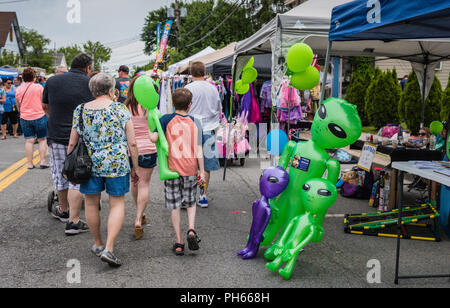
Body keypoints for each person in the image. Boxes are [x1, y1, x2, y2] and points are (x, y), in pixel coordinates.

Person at [68, 73, 140, 267]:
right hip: (117, 163)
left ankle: (98, 243)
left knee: (91, 203)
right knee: (117, 204)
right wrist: (135, 167)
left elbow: (72, 142)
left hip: (88, 165)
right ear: (111, 90)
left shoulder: (80, 109)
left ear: (93, 90)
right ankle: (109, 248)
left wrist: (69, 167)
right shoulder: (120, 109)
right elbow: (132, 142)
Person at [42, 53, 94, 235]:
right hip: (81, 138)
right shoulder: (90, 83)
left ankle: (63, 211)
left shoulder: (52, 81)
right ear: (88, 68)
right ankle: (74, 219)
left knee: (60, 173)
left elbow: (45, 107)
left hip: (56, 134)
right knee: (77, 176)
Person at [150, 88, 205, 256]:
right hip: (190, 168)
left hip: (172, 169)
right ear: (190, 105)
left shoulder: (165, 119)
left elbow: (154, 138)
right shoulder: (196, 122)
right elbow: (199, 149)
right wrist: (202, 171)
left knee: (175, 206)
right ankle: (191, 229)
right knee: (190, 202)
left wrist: (150, 128)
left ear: (172, 104)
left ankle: (179, 242)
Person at [124, 77, 158, 239]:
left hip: (131, 150)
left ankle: (140, 213)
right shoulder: (150, 106)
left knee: (134, 181)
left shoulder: (124, 107)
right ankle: (139, 217)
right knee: (144, 184)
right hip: (149, 149)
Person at [184, 61, 221, 208]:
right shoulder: (213, 89)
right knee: (205, 166)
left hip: (191, 129)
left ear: (191, 73)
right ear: (204, 72)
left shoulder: (188, 88)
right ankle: (203, 195)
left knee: (189, 164)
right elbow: (218, 107)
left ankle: (188, 196)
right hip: (209, 128)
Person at [15, 67, 49, 169]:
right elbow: (44, 102)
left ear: (23, 78)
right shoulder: (39, 88)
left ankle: (30, 163)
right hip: (39, 115)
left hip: (25, 117)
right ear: (34, 77)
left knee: (29, 141)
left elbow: (18, 105)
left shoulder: (19, 89)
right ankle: (42, 161)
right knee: (42, 140)